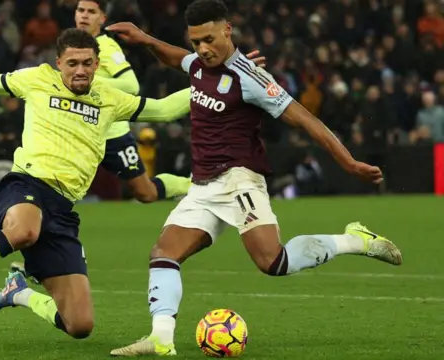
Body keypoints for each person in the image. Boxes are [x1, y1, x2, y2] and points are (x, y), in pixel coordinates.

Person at [106, 0, 403, 356]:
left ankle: (355, 240)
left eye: (209, 39)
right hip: (202, 186)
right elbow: (176, 58)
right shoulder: (199, 64)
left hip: (239, 181)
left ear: (227, 30)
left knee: (273, 263)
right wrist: (145, 39)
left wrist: (349, 162)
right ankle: (161, 339)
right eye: (196, 41)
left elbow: (306, 119)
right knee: (163, 254)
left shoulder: (251, 77)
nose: (202, 48)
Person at [0, 29, 191, 340]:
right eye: (72, 63)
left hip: (62, 210)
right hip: (25, 184)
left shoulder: (111, 99)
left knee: (80, 325)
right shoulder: (36, 79)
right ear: (59, 63)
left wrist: (217, 84)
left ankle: (18, 293)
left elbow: (165, 110)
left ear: (98, 64)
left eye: (87, 63)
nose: (80, 70)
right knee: (23, 231)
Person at [74, 0, 265, 203]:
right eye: (80, 10)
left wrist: (84, 79)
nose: (84, 15)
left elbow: (132, 86)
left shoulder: (105, 47)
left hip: (112, 132)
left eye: (91, 11)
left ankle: (194, 185)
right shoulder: (70, 45)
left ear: (102, 18)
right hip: (81, 129)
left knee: (145, 193)